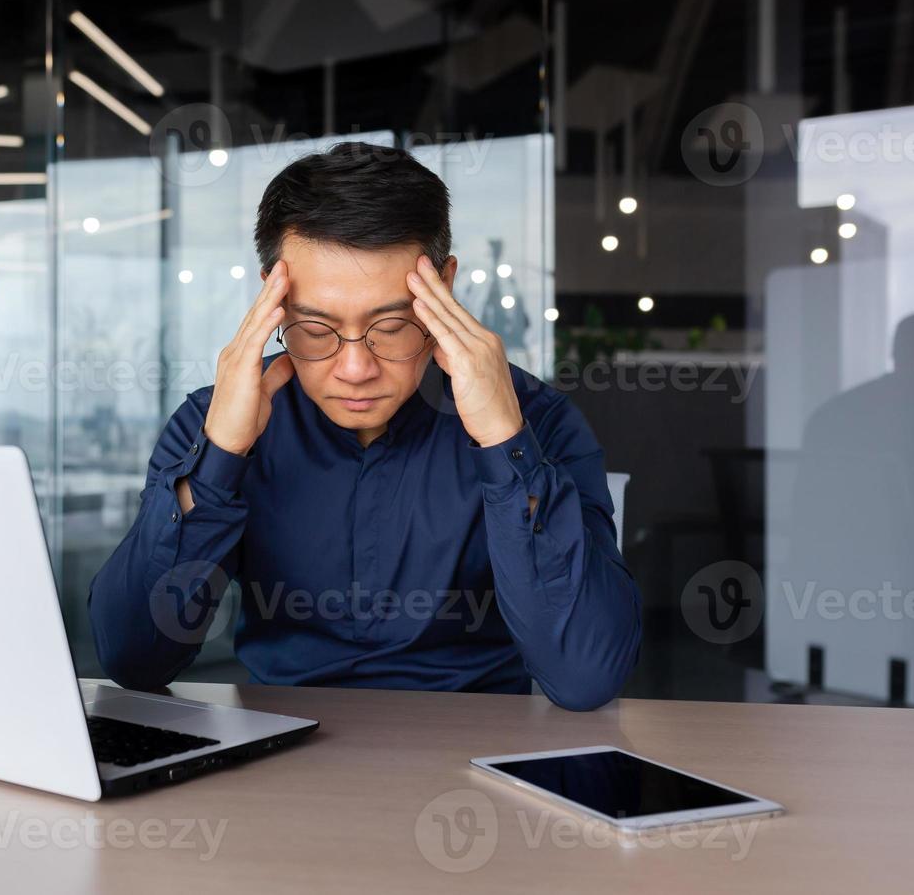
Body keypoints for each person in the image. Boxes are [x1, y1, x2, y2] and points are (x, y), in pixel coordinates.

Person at [88, 142, 641, 710]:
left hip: (473, 762)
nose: (355, 369)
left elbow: (585, 677)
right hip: (273, 752)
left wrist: (503, 441)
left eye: (392, 325)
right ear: (271, 299)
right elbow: (134, 657)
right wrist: (220, 458)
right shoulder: (215, 422)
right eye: (315, 327)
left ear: (443, 289)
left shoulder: (537, 422)